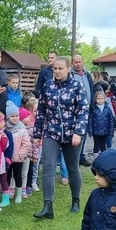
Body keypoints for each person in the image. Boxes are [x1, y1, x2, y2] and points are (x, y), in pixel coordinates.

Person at [32, 56, 89, 219]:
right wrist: (37, 133)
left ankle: (76, 200)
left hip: (72, 135)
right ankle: (47, 206)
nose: (56, 71)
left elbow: (83, 111)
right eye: (54, 69)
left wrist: (78, 132)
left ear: (68, 69)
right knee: (48, 168)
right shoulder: (47, 86)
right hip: (51, 132)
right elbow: (41, 112)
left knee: (72, 168)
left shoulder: (77, 86)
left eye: (60, 68)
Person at [5, 102, 32, 204]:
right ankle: (6, 194)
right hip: (7, 158)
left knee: (18, 176)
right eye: (12, 116)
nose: (15, 118)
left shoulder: (22, 129)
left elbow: (26, 143)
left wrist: (21, 154)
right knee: (7, 176)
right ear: (8, 117)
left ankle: (19, 194)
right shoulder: (5, 129)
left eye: (16, 116)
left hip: (18, 158)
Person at [71, 55, 94, 166]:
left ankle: (81, 156)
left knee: (84, 134)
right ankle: (74, 157)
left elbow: (91, 90)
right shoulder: (70, 75)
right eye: (76, 62)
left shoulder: (87, 74)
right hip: (75, 111)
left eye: (80, 62)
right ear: (72, 63)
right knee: (76, 134)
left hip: (87, 109)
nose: (78, 64)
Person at [88, 90, 115, 157]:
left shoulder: (107, 109)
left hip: (105, 131)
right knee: (96, 145)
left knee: (103, 146)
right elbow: (90, 121)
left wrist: (111, 131)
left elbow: (111, 121)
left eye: (101, 98)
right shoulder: (93, 109)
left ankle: (103, 158)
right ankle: (96, 158)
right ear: (96, 99)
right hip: (96, 131)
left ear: (104, 99)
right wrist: (90, 131)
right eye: (98, 99)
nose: (100, 100)